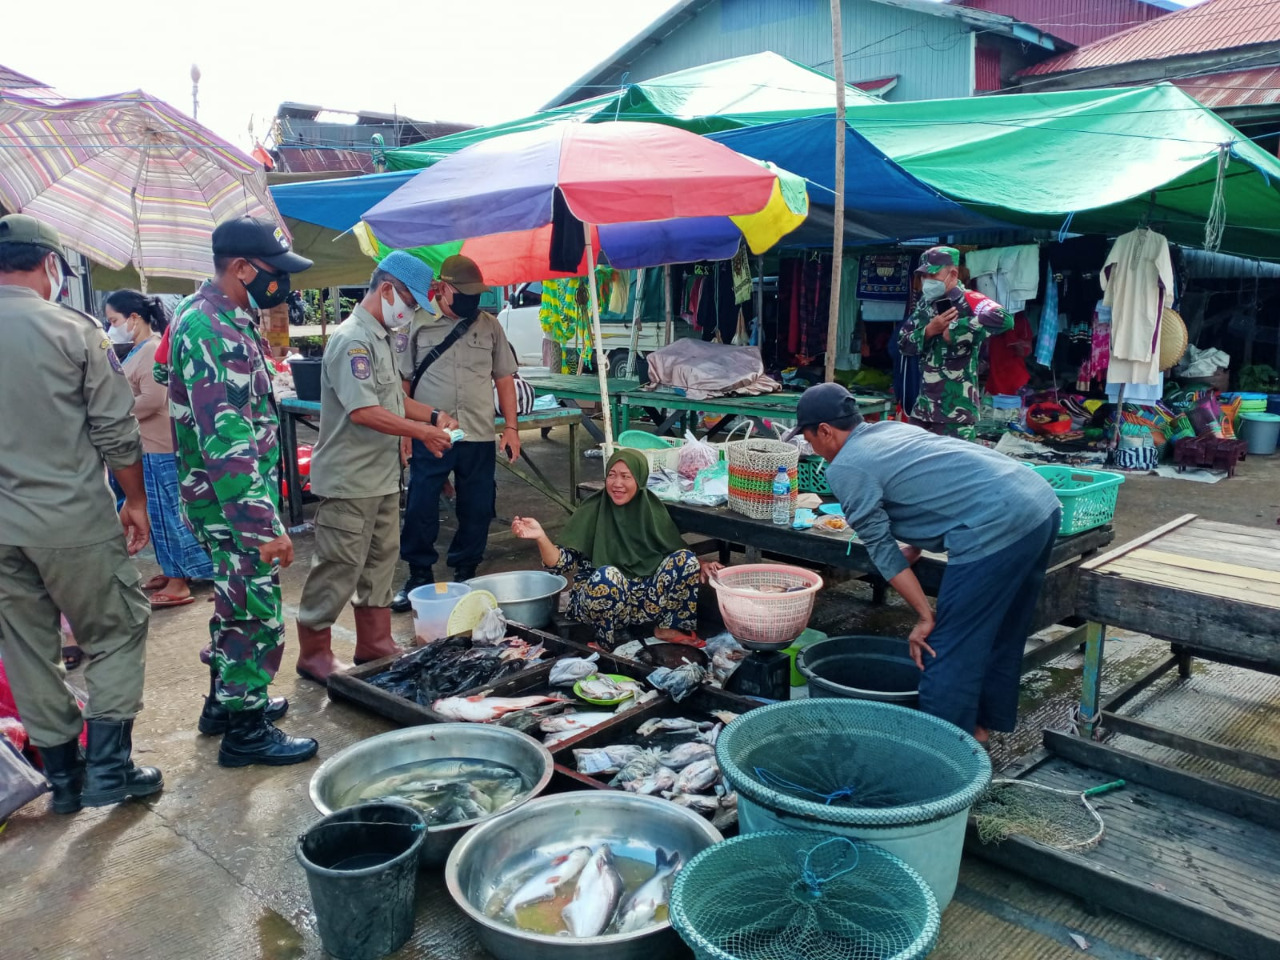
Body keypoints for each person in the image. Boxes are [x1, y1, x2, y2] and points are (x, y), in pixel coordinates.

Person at [0, 213, 162, 812]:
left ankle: (63, 781)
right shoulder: (75, 330)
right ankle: (109, 771)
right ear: (48, 265)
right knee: (116, 629)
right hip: (70, 518)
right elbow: (118, 433)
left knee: (23, 643)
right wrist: (136, 502)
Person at [795, 383, 1061, 744]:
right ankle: (979, 730)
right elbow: (928, 491)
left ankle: (943, 758)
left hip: (995, 523)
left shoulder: (846, 468)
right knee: (1001, 631)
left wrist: (924, 616)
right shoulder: (889, 428)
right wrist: (917, 548)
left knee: (944, 647)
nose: (812, 448)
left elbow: (882, 551)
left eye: (809, 439)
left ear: (824, 430)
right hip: (1039, 504)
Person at [167, 216, 315, 766]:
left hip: (216, 498)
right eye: (274, 272)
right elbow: (224, 438)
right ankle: (246, 731)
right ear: (242, 268)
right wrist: (263, 526)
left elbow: (173, 385)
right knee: (255, 611)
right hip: (231, 503)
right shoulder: (212, 328)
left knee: (231, 602)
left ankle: (223, 704)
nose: (281, 284)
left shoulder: (207, 314)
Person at [295, 253, 457, 682]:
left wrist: (433, 417)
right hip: (350, 478)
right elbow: (364, 411)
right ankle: (314, 652)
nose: (409, 313)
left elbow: (393, 399)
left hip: (382, 475)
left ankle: (374, 642)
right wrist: (421, 434)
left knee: (381, 561)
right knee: (338, 565)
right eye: (409, 301)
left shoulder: (382, 337)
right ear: (387, 289)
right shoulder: (353, 340)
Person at [391, 255, 521, 609]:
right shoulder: (416, 323)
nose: (471, 299)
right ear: (443, 288)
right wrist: (406, 433)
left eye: (476, 293)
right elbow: (401, 383)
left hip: (478, 432)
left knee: (478, 506)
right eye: (463, 292)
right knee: (421, 503)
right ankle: (418, 575)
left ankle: (467, 571)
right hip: (429, 433)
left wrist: (511, 427)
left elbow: (504, 379)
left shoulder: (490, 325)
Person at [511, 449, 720, 648]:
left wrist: (701, 564)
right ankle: (604, 641)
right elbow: (561, 563)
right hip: (599, 598)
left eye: (626, 476)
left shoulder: (650, 509)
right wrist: (541, 537)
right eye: (612, 475)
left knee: (686, 560)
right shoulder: (593, 510)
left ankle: (667, 628)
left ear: (639, 480)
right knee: (608, 575)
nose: (617, 483)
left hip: (641, 601)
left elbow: (672, 550)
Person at [107, 289, 214, 608]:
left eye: (114, 320)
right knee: (158, 513)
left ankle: (179, 581)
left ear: (134, 318)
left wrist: (112, 413)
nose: (111, 326)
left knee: (167, 514)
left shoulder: (153, 348)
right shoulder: (139, 349)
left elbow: (154, 399)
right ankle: (174, 572)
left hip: (161, 446)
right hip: (148, 444)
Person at [897, 246, 1013, 442]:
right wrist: (929, 330)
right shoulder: (925, 304)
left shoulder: (971, 300)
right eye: (923, 276)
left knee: (954, 469)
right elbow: (902, 343)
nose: (927, 281)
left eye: (933, 275)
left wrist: (957, 329)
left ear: (953, 273)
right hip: (924, 409)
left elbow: (1005, 319)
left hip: (956, 413)